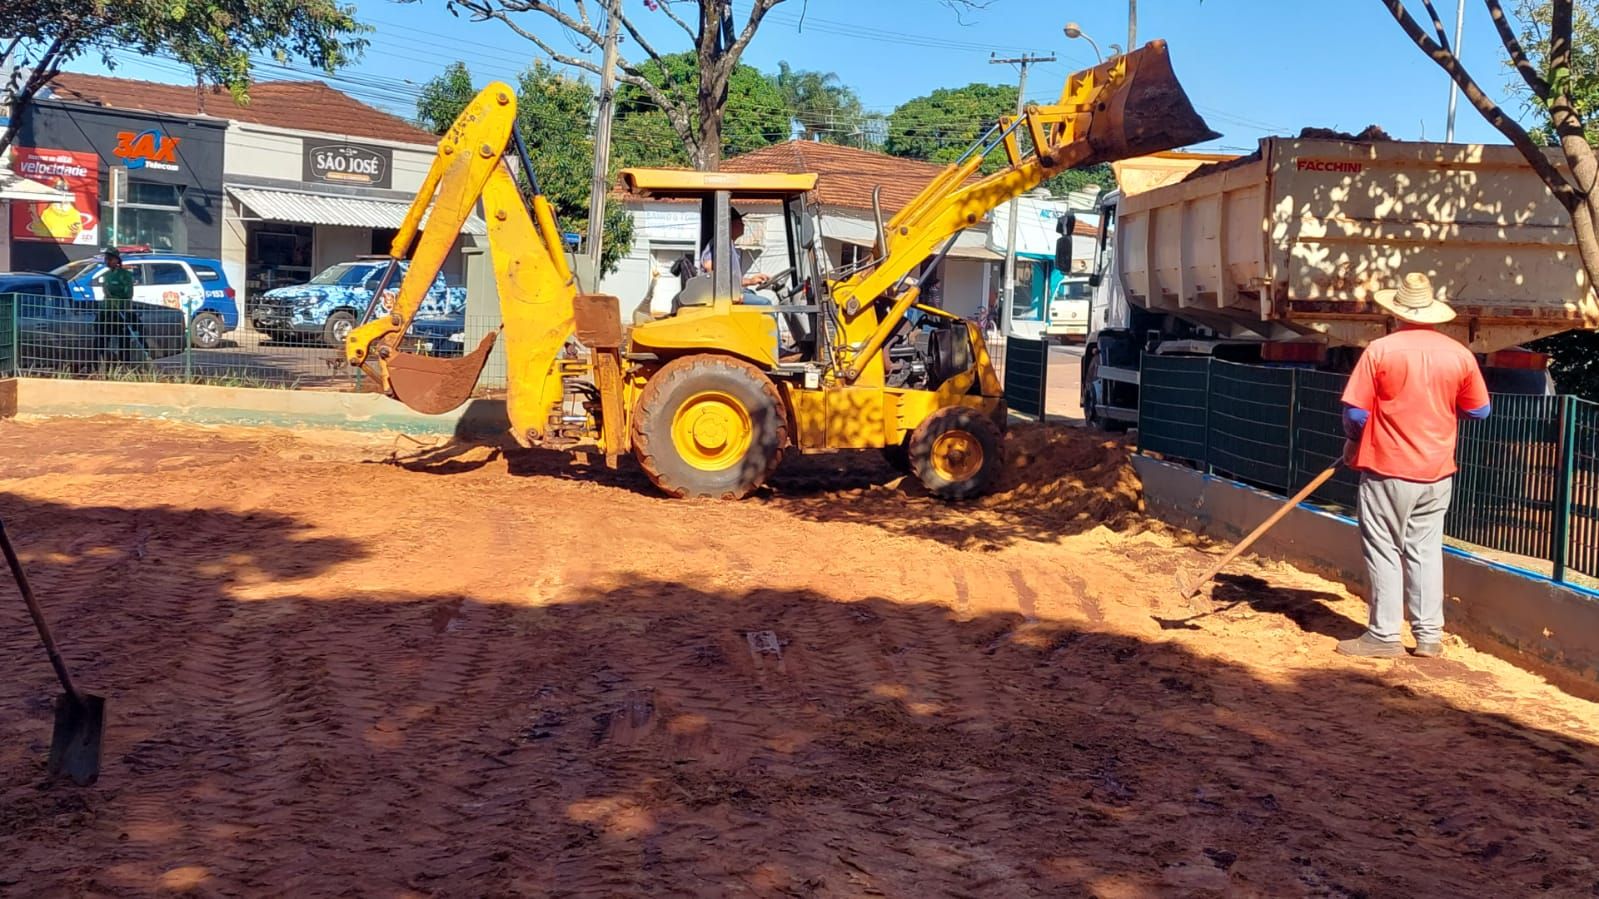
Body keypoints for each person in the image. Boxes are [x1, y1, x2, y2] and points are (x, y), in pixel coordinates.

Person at [1337, 272, 1491, 659]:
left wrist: (1354, 443)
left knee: (1385, 548)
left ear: (1397, 313)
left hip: (1387, 468)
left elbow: (1356, 414)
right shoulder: (1460, 355)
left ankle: (1384, 636)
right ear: (1435, 315)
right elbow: (1481, 410)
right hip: (1437, 471)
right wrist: (1441, 405)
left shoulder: (1380, 351)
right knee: (1425, 549)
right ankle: (1428, 637)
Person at [699, 207, 770, 300]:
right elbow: (708, 265)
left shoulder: (729, 245)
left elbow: (730, 279)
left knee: (753, 295)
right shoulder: (720, 243)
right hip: (723, 296)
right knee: (766, 303)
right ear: (729, 224)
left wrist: (750, 281)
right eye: (739, 222)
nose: (743, 225)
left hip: (732, 292)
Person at [96, 248, 142, 365]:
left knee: (123, 339)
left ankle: (124, 364)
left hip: (120, 312)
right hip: (106, 311)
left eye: (110, 259)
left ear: (116, 260)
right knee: (100, 338)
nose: (107, 261)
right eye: (106, 259)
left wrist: (118, 300)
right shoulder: (106, 275)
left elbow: (128, 294)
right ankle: (100, 363)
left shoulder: (125, 275)